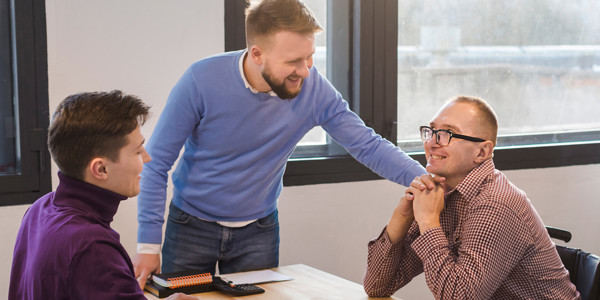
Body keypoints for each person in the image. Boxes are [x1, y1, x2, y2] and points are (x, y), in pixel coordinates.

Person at [134, 0, 433, 288]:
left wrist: (426, 181)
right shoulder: (201, 80)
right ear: (257, 54)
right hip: (190, 225)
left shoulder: (313, 88)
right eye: (293, 61)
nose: (305, 70)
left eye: (310, 57)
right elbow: (155, 162)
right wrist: (148, 244)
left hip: (258, 231)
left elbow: (368, 145)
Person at [363, 96, 580, 299]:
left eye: (447, 134)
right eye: (431, 131)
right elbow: (376, 286)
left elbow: (460, 296)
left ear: (482, 152)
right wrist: (402, 218)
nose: (431, 143)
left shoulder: (495, 203)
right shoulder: (440, 195)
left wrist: (428, 222)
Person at [9, 91, 195, 300]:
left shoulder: (41, 208)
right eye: (137, 151)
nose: (147, 158)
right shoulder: (92, 247)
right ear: (101, 169)